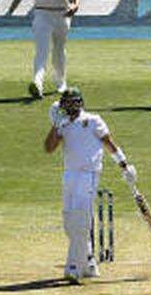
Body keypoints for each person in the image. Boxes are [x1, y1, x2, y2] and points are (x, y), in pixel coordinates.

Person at [44, 87, 135, 281]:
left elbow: (109, 143)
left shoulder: (93, 120)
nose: (69, 106)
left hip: (88, 175)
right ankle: (89, 261)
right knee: (69, 223)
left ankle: (74, 268)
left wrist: (124, 164)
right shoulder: (63, 124)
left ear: (80, 103)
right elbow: (49, 148)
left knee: (80, 220)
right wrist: (55, 125)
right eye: (66, 103)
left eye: (73, 102)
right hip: (69, 175)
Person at [23, 0, 81, 99]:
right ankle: (37, 83)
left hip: (62, 15)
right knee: (42, 51)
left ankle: (61, 84)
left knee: (59, 51)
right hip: (42, 14)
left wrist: (75, 5)